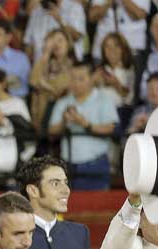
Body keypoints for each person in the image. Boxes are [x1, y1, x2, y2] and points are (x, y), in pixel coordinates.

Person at [47, 60, 118, 189]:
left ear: (91, 79)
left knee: (97, 206)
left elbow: (111, 128)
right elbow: (52, 131)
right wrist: (64, 121)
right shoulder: (63, 102)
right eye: (73, 79)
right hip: (67, 165)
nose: (75, 83)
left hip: (96, 164)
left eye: (81, 79)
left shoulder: (103, 99)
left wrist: (85, 124)